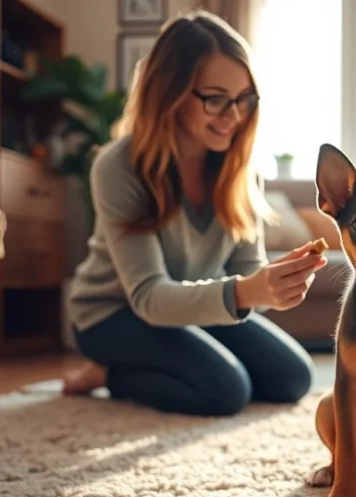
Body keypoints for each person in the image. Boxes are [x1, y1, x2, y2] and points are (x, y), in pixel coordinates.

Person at [61, 10, 327, 416]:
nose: (233, 116)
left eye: (243, 99)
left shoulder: (241, 172)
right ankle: (110, 374)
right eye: (216, 99)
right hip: (112, 314)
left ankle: (150, 366)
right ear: (170, 94)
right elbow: (149, 296)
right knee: (224, 390)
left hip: (191, 308)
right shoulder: (118, 167)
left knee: (293, 378)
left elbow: (246, 271)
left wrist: (272, 282)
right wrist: (247, 291)